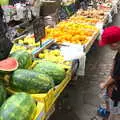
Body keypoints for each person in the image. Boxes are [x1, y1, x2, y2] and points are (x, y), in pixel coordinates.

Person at [99, 26, 120, 120]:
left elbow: (115, 77)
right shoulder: (118, 52)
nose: (108, 47)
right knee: (107, 99)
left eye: (108, 44)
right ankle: (107, 114)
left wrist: (104, 84)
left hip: (117, 90)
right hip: (113, 87)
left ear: (115, 44)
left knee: (115, 111)